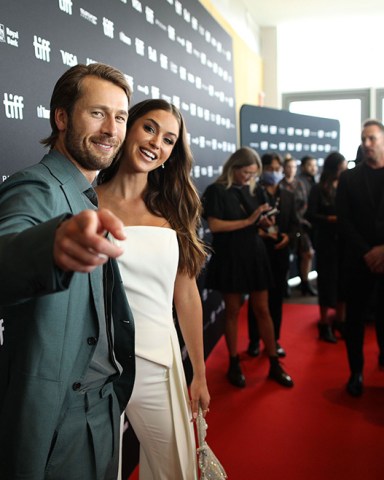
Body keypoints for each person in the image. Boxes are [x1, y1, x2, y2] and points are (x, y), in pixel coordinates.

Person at [0, 63, 135, 480]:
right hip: (60, 423)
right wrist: (53, 246)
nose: (111, 129)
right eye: (97, 113)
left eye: (120, 117)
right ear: (61, 118)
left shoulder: (86, 193)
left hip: (103, 409)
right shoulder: (36, 187)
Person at [96, 99, 210, 479]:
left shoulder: (172, 209)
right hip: (93, 364)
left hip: (158, 363)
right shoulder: (82, 201)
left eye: (169, 140)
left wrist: (199, 372)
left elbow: (187, 296)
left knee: (174, 470)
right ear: (127, 128)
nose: (156, 143)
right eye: (149, 128)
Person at [202, 147, 294, 389]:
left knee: (263, 310)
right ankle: (233, 362)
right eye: (246, 172)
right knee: (232, 311)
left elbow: (259, 223)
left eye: (253, 173)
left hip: (255, 253)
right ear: (233, 167)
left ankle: (274, 361)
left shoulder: (255, 190)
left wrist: (264, 222)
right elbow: (215, 225)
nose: (249, 177)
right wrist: (250, 220)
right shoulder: (216, 190)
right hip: (230, 256)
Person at [337, 119, 384, 397]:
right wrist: (368, 251)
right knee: (354, 320)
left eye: (371, 139)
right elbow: (344, 220)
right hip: (358, 260)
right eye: (363, 139)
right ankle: (356, 372)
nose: (366, 144)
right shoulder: (349, 177)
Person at [247, 152, 300, 358]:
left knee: (276, 299)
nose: (275, 172)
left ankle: (274, 340)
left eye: (278, 168)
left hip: (280, 251)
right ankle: (253, 341)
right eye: (271, 169)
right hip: (258, 252)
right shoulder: (253, 194)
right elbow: (247, 223)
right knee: (257, 301)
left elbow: (296, 223)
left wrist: (289, 236)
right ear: (262, 170)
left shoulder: (288, 195)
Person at [306, 152, 347, 343]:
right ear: (335, 167)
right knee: (326, 283)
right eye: (342, 166)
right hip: (326, 243)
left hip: (345, 242)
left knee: (343, 283)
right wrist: (330, 219)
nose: (345, 169)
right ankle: (324, 324)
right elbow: (311, 215)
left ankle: (340, 321)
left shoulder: (346, 186)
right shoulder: (318, 189)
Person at [296, 155, 319, 295]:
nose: (313, 168)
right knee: (307, 254)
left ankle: (305, 283)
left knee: (307, 254)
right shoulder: (299, 182)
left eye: (315, 165)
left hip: (312, 224)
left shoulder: (315, 181)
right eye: (310, 165)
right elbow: (299, 205)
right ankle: (304, 283)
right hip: (301, 224)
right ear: (303, 166)